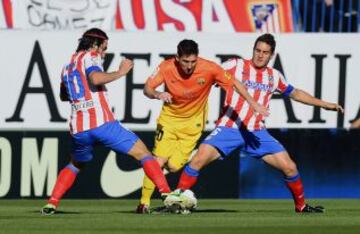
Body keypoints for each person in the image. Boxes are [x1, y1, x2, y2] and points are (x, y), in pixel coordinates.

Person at [165, 33, 344, 213]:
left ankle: (301, 206)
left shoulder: (274, 76)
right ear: (253, 50)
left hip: (256, 133)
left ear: (271, 55)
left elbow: (295, 93)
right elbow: (210, 73)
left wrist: (325, 105)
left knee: (290, 167)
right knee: (197, 160)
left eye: (265, 52)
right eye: (257, 50)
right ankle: (177, 203)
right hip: (229, 127)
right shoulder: (235, 65)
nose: (260, 55)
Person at [41, 28, 171, 215]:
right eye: (104, 47)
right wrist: (121, 72)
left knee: (75, 164)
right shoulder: (91, 56)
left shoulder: (67, 66)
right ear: (95, 44)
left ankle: (52, 203)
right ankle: (167, 195)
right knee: (143, 153)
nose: (104, 52)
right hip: (102, 124)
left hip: (79, 129)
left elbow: (63, 95)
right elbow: (95, 77)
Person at [136, 39, 268, 213]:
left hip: (193, 125)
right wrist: (157, 93)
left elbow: (235, 83)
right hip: (169, 120)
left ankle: (162, 183)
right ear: (177, 58)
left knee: (174, 166)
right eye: (185, 62)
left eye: (193, 62)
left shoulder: (209, 68)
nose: (189, 66)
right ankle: (144, 203)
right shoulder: (166, 67)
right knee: (158, 160)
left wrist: (254, 103)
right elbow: (147, 88)